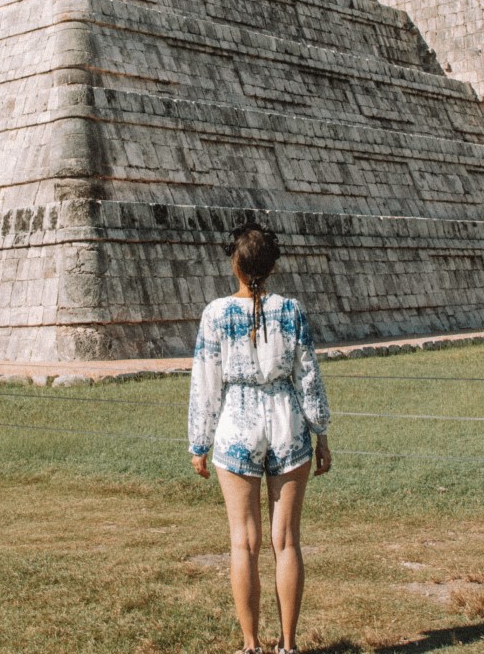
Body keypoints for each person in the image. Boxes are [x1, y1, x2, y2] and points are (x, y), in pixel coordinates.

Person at [188, 222, 332, 654]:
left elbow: (206, 382)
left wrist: (200, 442)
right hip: (287, 421)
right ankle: (288, 645)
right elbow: (308, 377)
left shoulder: (216, 314)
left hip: (237, 423)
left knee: (243, 541)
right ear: (271, 267)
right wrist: (320, 433)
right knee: (286, 541)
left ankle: (251, 646)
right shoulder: (291, 311)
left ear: (235, 262)